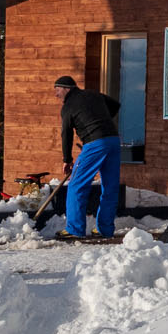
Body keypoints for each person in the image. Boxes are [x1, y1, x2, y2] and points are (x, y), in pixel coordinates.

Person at [53, 75, 121, 238]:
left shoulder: (68, 107)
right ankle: (105, 229)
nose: (56, 94)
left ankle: (74, 229)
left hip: (94, 143)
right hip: (113, 140)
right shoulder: (94, 95)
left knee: (76, 185)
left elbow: (66, 135)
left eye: (57, 90)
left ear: (66, 89)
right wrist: (101, 120)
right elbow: (115, 105)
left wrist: (67, 160)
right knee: (110, 186)